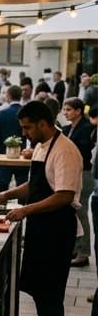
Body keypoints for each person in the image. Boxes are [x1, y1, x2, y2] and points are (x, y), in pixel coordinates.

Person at [0, 100, 82, 316]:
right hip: (42, 228)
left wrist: (25, 210)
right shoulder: (42, 146)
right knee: (41, 293)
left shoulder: (65, 151)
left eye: (28, 127)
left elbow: (63, 195)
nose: (25, 132)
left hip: (57, 231)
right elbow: (37, 185)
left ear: (43, 123)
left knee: (51, 294)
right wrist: (7, 195)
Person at [63, 97, 96, 268]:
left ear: (78, 111)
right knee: (73, 211)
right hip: (72, 172)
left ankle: (84, 253)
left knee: (81, 211)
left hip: (85, 172)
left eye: (68, 109)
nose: (65, 112)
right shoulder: (67, 128)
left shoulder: (87, 128)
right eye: (64, 109)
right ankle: (75, 248)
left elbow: (84, 152)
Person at [0, 84, 27, 190]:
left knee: (0, 191)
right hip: (23, 157)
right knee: (23, 190)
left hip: (3, 157)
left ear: (8, 96)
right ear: (21, 96)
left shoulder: (0, 114)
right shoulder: (27, 113)